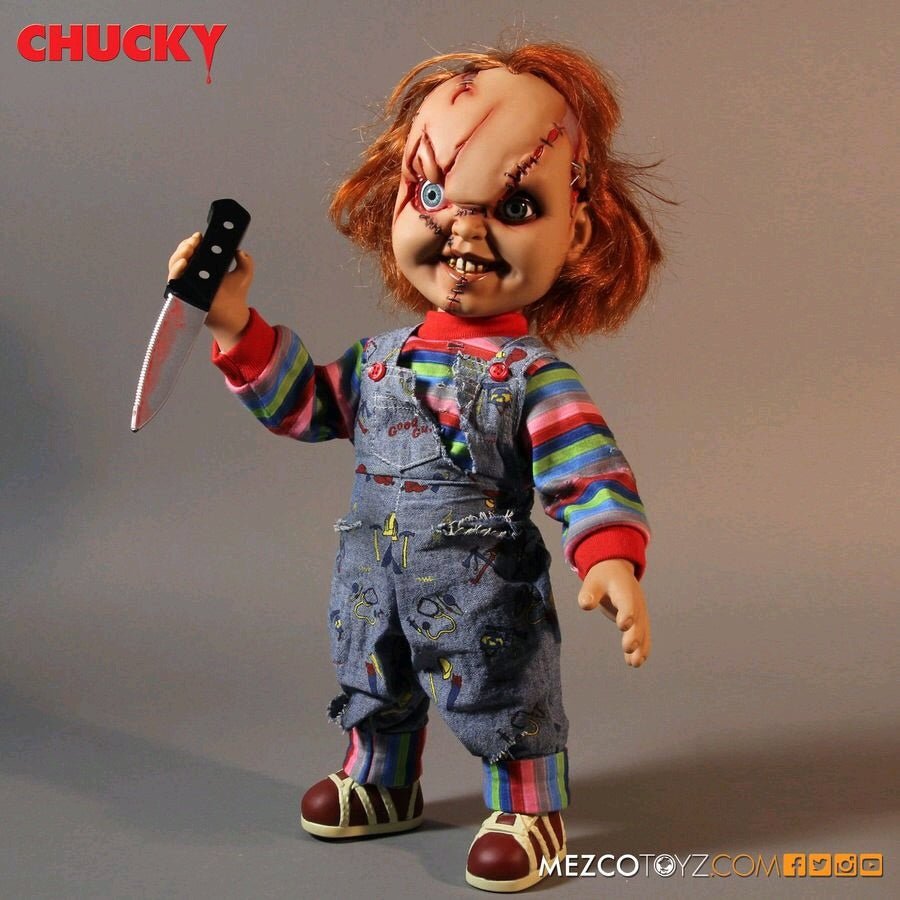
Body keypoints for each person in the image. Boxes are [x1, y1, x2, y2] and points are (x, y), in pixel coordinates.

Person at [168, 42, 662, 892]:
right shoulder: (377, 361)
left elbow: (587, 471)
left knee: (503, 691)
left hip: (481, 587)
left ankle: (530, 806)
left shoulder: (534, 379)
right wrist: (234, 324)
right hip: (372, 578)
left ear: (575, 231)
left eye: (515, 205)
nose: (464, 229)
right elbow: (305, 406)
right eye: (433, 193)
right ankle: (381, 779)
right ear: (394, 199)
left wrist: (608, 553)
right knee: (373, 677)